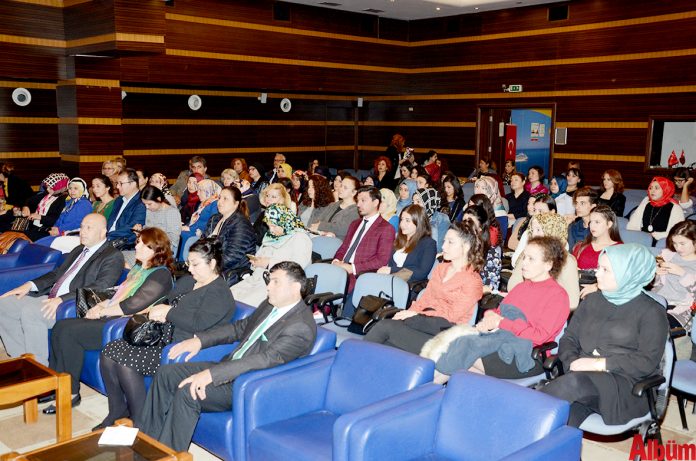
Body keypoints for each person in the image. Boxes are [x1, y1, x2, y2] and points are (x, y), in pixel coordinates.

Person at [137, 261, 317, 452]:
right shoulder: (270, 305)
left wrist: (211, 375)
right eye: (269, 281)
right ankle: (146, 442)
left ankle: (168, 454)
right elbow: (239, 328)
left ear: (295, 287)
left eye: (275, 282)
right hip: (229, 367)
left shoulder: (300, 326)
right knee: (166, 374)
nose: (268, 287)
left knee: (189, 391)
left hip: (247, 384)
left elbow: (264, 359)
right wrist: (200, 341)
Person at [97, 238, 236, 429]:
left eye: (195, 264)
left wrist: (168, 313)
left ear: (212, 264)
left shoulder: (219, 293)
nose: (190, 269)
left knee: (125, 362)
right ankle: (117, 410)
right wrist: (161, 311)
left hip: (180, 346)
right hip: (160, 336)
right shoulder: (188, 281)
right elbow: (168, 302)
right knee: (108, 352)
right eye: (188, 263)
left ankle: (141, 422)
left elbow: (199, 324)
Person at [45, 227, 175, 413]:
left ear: (156, 250)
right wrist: (101, 305)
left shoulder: (160, 274)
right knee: (60, 326)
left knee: (69, 332)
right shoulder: (139, 268)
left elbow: (133, 305)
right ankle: (57, 384)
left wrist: (102, 312)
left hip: (125, 325)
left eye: (141, 244)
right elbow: (119, 293)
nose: (136, 246)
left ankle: (71, 393)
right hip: (112, 316)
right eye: (137, 242)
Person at [540, 244, 668, 428]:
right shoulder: (592, 300)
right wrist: (571, 363)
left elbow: (646, 362)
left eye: (605, 269)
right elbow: (569, 339)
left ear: (629, 273)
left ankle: (521, 420)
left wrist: (598, 364)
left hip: (625, 386)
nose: (597, 274)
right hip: (581, 379)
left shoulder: (652, 312)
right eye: (598, 267)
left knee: (565, 392)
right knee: (556, 424)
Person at [430, 236, 569, 382]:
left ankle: (424, 391)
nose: (524, 263)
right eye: (524, 257)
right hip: (500, 342)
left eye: (531, 259)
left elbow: (539, 336)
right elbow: (499, 313)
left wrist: (500, 322)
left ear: (548, 265)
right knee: (457, 353)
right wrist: (489, 318)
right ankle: (428, 391)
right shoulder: (521, 287)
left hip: (526, 355)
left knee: (462, 352)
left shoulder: (558, 296)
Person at [0, 214, 124, 366]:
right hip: (52, 298)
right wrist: (30, 285)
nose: (83, 232)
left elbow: (101, 287)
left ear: (103, 231)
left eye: (89, 228)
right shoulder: (79, 249)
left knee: (31, 312)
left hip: (73, 304)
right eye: (82, 227)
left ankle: (40, 370)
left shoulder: (113, 256)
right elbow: (57, 273)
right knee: (4, 304)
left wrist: (62, 300)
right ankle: (21, 360)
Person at [365, 220, 484, 354]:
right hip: (422, 323)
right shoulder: (441, 269)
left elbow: (452, 316)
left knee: (384, 328)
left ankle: (349, 364)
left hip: (444, 335)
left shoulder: (473, 281)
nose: (443, 246)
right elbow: (425, 299)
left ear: (466, 246)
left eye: (450, 242)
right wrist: (408, 314)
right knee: (387, 339)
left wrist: (417, 314)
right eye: (444, 241)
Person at [232, 204, 312, 307]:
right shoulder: (270, 237)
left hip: (277, 285)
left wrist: (268, 263)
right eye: (269, 226)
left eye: (274, 226)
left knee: (242, 305)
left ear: (284, 221)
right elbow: (260, 257)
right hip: (256, 279)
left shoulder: (300, 238)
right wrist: (256, 262)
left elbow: (297, 267)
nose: (271, 230)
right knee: (227, 296)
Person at [332, 186, 396, 314]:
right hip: (341, 269)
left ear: (375, 202)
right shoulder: (355, 223)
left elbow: (381, 260)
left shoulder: (386, 228)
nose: (358, 204)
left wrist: (353, 268)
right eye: (358, 200)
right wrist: (336, 259)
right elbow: (344, 247)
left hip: (360, 275)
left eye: (363, 200)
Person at [508, 212, 580, 310]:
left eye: (538, 230)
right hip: (523, 306)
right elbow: (513, 285)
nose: (533, 234)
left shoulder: (567, 261)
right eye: (532, 230)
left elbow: (572, 302)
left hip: (552, 312)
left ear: (552, 231)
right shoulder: (527, 254)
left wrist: (539, 302)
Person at [201, 186, 257, 279]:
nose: (220, 202)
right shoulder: (214, 219)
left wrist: (207, 267)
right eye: (219, 198)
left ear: (236, 203)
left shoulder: (241, 224)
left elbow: (232, 257)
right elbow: (202, 243)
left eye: (225, 199)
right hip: (210, 266)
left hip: (231, 271)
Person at [653, 220, 696, 330]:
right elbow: (647, 283)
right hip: (656, 301)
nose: (678, 248)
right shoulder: (665, 255)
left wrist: (683, 273)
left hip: (682, 310)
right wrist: (654, 273)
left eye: (682, 243)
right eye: (675, 243)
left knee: (653, 326)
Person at [377, 204, 437, 283]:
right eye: (402, 219)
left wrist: (391, 270)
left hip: (409, 286)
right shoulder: (398, 239)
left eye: (407, 220)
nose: (402, 224)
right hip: (390, 281)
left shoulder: (428, 244)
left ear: (418, 222)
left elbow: (421, 273)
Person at [125, 186, 182, 267]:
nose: (147, 207)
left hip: (161, 252)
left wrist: (153, 237)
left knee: (125, 260)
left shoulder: (171, 212)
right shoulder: (150, 210)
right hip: (148, 248)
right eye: (145, 204)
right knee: (120, 256)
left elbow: (174, 239)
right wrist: (141, 231)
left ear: (159, 199)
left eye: (149, 204)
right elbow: (149, 229)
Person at [9, 173, 69, 241]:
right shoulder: (46, 194)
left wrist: (40, 217)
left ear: (60, 187)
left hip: (44, 230)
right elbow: (28, 200)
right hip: (32, 225)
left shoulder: (63, 201)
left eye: (50, 187)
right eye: (47, 187)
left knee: (16, 236)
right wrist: (25, 207)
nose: (47, 189)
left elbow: (56, 220)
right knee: (7, 228)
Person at [627, 177, 685, 241]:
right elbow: (631, 225)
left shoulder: (675, 208)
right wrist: (642, 236)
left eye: (656, 188)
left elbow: (677, 232)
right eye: (650, 188)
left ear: (666, 189)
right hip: (641, 240)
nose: (652, 191)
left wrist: (654, 235)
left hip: (663, 242)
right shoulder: (645, 204)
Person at [178, 179, 221, 260]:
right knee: (178, 231)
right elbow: (196, 220)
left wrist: (190, 228)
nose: (197, 193)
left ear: (208, 191)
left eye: (200, 191)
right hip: (196, 229)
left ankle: (182, 262)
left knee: (184, 234)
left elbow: (211, 222)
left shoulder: (214, 204)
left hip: (203, 232)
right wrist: (186, 226)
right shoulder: (204, 203)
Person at [511, 194, 557, 268]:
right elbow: (514, 260)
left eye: (541, 211)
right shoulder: (528, 233)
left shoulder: (559, 236)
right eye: (535, 210)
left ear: (552, 212)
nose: (536, 214)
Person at [463, 205, 501, 294]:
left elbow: (491, 287)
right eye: (464, 221)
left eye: (470, 222)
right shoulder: (457, 248)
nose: (465, 226)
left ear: (480, 228)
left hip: (474, 298)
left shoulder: (491, 254)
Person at [308, 176, 359, 240]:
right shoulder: (333, 205)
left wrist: (320, 225)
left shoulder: (356, 211)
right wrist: (324, 230)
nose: (341, 189)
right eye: (341, 186)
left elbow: (342, 229)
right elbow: (317, 221)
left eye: (345, 188)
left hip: (337, 243)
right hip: (320, 237)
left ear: (354, 192)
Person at [572, 205, 622, 271]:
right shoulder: (581, 246)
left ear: (609, 224)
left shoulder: (619, 249)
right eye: (590, 222)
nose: (592, 226)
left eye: (597, 222)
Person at [107, 168, 146, 248]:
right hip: (108, 238)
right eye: (117, 183)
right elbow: (110, 222)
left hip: (123, 243)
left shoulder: (141, 203)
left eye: (121, 183)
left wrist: (106, 236)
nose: (117, 186)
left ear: (133, 184)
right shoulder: (119, 200)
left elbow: (131, 228)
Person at [413, 187, 450, 252]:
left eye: (418, 201)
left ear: (428, 202)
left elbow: (440, 247)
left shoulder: (442, 219)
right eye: (413, 201)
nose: (414, 205)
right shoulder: (412, 217)